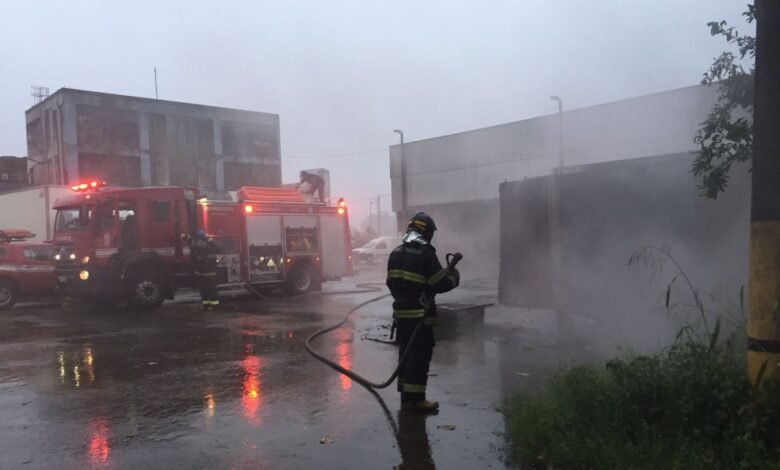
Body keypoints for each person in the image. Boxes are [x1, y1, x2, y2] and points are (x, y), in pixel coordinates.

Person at [386, 212, 460, 412]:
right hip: (420, 317)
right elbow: (441, 284)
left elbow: (391, 283)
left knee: (405, 353)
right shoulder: (426, 254)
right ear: (426, 233)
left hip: (401, 315)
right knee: (420, 357)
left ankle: (405, 395)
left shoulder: (395, 252)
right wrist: (454, 276)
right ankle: (417, 400)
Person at [189, 231, 220, 310]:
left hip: (209, 273)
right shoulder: (198, 246)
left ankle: (213, 305)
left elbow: (218, 249)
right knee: (205, 291)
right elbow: (196, 259)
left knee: (210, 290)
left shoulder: (209, 244)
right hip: (204, 273)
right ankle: (206, 305)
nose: (200, 242)